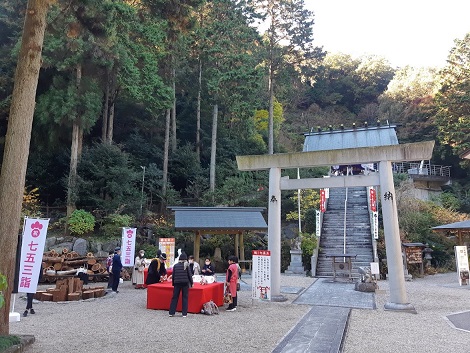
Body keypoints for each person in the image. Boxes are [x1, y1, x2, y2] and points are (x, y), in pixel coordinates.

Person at [168, 253, 193, 317]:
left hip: (177, 283)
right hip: (185, 283)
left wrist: (173, 283)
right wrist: (191, 283)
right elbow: (189, 275)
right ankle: (184, 313)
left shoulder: (175, 266)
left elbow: (173, 276)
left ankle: (171, 312)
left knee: (174, 297)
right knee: (185, 298)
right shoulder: (186, 265)